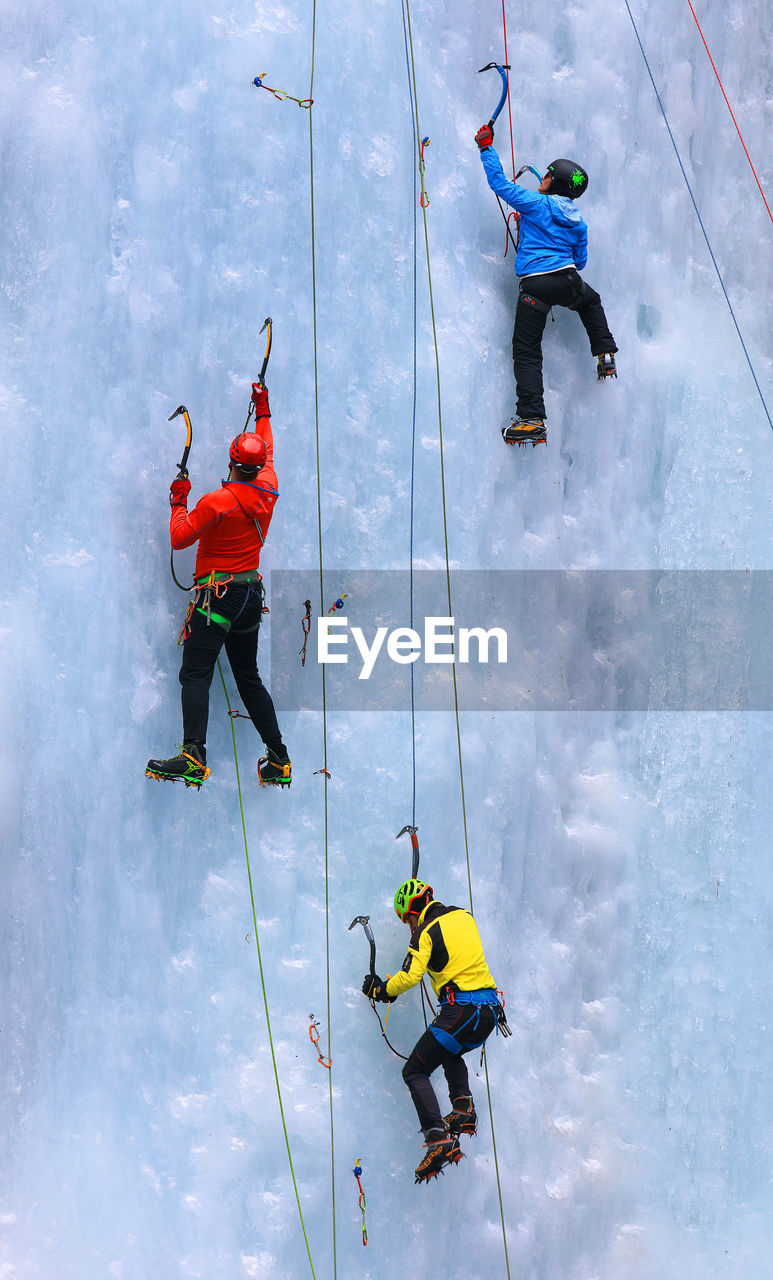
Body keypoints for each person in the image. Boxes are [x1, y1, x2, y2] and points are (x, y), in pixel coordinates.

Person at [146, 383, 291, 789]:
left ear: (231, 461)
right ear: (259, 466)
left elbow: (180, 537)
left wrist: (178, 501)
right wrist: (263, 407)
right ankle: (278, 758)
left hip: (217, 597)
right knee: (248, 677)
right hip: (248, 596)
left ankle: (193, 755)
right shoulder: (270, 487)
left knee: (195, 674)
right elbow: (268, 446)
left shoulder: (216, 502)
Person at [475, 123, 618, 446]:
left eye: (546, 176)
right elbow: (580, 262)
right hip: (568, 280)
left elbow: (498, 183)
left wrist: (486, 148)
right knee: (590, 302)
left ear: (552, 181)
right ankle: (605, 353)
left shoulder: (536, 203)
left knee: (526, 351)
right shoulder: (577, 220)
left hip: (537, 286)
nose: (542, 179)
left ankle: (531, 418)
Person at [362, 878, 507, 1184]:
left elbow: (411, 975)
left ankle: (437, 1139)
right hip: (489, 1013)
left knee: (414, 1071)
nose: (409, 927)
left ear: (413, 913)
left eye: (408, 921)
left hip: (462, 1011)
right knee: (447, 1050)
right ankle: (463, 1107)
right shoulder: (464, 917)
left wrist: (382, 989)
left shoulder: (424, 932)